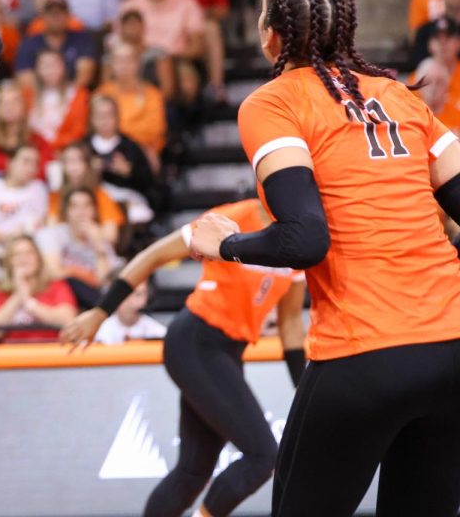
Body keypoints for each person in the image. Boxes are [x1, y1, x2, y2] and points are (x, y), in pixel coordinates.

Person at [187, 0, 460, 516]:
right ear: (346, 31)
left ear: (271, 35)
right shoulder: (404, 100)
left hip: (363, 351)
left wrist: (227, 244)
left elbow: (304, 238)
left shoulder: (272, 103)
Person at [65, 198, 305, 517]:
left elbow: (289, 323)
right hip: (195, 340)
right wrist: (100, 312)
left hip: (229, 351)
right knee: (263, 457)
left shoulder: (297, 240)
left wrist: (303, 393)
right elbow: (151, 256)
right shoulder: (229, 218)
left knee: (193, 471)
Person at [0, 235, 77, 343]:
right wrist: (18, 295)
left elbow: (68, 320)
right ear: (9, 262)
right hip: (11, 355)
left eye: (29, 253)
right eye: (17, 254)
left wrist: (29, 303)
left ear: (38, 258)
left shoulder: (57, 286)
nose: (24, 258)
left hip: (50, 351)